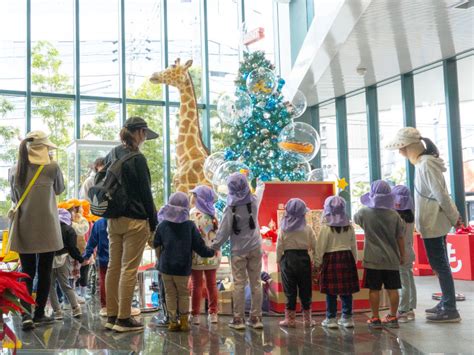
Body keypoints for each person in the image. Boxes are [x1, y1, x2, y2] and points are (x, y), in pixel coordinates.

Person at [386, 128, 462, 322]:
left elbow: (441, 195)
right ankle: (446, 301)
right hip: (431, 223)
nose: (401, 152)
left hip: (434, 223)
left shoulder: (426, 164)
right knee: (439, 264)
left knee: (440, 265)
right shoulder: (423, 163)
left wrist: (455, 218)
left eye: (402, 148)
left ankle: (450, 307)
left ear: (410, 147)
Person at [104, 116, 159, 333]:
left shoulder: (112, 154)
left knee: (113, 267)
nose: (145, 138)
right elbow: (146, 195)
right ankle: (124, 319)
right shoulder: (137, 158)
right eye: (144, 134)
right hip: (135, 221)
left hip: (113, 219)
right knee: (129, 268)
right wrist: (154, 224)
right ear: (139, 133)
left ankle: (112, 315)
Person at [8, 131, 65, 330]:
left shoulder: (15, 168)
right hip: (47, 226)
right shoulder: (52, 166)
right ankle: (39, 313)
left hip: (25, 225)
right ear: (44, 148)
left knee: (27, 271)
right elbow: (59, 189)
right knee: (45, 270)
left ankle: (25, 314)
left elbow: (15, 197)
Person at [154, 192, 215, 332]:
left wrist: (159, 258)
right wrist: (211, 252)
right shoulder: (190, 226)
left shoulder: (163, 225)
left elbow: (156, 243)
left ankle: (172, 321)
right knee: (183, 294)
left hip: (166, 267)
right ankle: (184, 322)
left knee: (170, 294)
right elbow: (199, 246)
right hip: (182, 267)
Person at [211, 173, 263, 330]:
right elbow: (261, 189)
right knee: (256, 283)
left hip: (238, 251)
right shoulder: (254, 200)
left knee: (239, 283)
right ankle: (256, 318)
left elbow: (224, 231)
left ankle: (238, 319)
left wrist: (214, 246)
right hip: (255, 247)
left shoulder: (230, 207)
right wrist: (260, 183)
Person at [353, 180, 405, 329]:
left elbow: (356, 220)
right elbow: (400, 237)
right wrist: (403, 255)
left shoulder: (364, 213)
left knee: (374, 289)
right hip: (391, 259)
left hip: (372, 259)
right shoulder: (394, 215)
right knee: (392, 289)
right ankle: (393, 316)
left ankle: (375, 317)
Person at [314, 196, 359, 329]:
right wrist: (354, 260)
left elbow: (320, 247)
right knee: (347, 291)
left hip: (331, 259)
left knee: (331, 292)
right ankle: (347, 317)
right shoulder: (349, 227)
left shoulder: (326, 228)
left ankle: (331, 318)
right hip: (347, 258)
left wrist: (317, 263)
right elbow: (353, 245)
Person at [276, 198, 316, 328]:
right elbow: (315, 245)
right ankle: (307, 319)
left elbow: (279, 246)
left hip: (288, 259)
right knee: (305, 289)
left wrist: (278, 260)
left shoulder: (284, 229)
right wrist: (316, 260)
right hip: (304, 259)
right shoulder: (308, 228)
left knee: (290, 290)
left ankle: (290, 319)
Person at [188, 186, 221, 325]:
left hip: (196, 256)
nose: (192, 197)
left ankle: (195, 314)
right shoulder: (214, 214)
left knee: (196, 285)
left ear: (199, 198)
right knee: (212, 284)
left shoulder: (192, 214)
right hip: (212, 255)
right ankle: (213, 313)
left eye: (194, 195)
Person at [49, 208, 83, 320]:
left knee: (50, 287)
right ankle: (76, 309)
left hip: (49, 260)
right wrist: (79, 258)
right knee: (65, 284)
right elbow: (72, 248)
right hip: (64, 258)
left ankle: (57, 311)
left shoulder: (49, 228)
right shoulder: (69, 229)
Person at [391, 185, 417, 323]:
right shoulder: (410, 217)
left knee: (403, 282)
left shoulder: (397, 218)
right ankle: (411, 308)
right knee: (409, 279)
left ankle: (403, 310)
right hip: (409, 252)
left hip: (400, 254)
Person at [83, 217, 109, 316]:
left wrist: (86, 256)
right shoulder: (118, 220)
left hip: (103, 258)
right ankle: (119, 305)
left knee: (104, 281)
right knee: (119, 281)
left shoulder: (98, 223)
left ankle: (105, 306)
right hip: (118, 258)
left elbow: (91, 242)